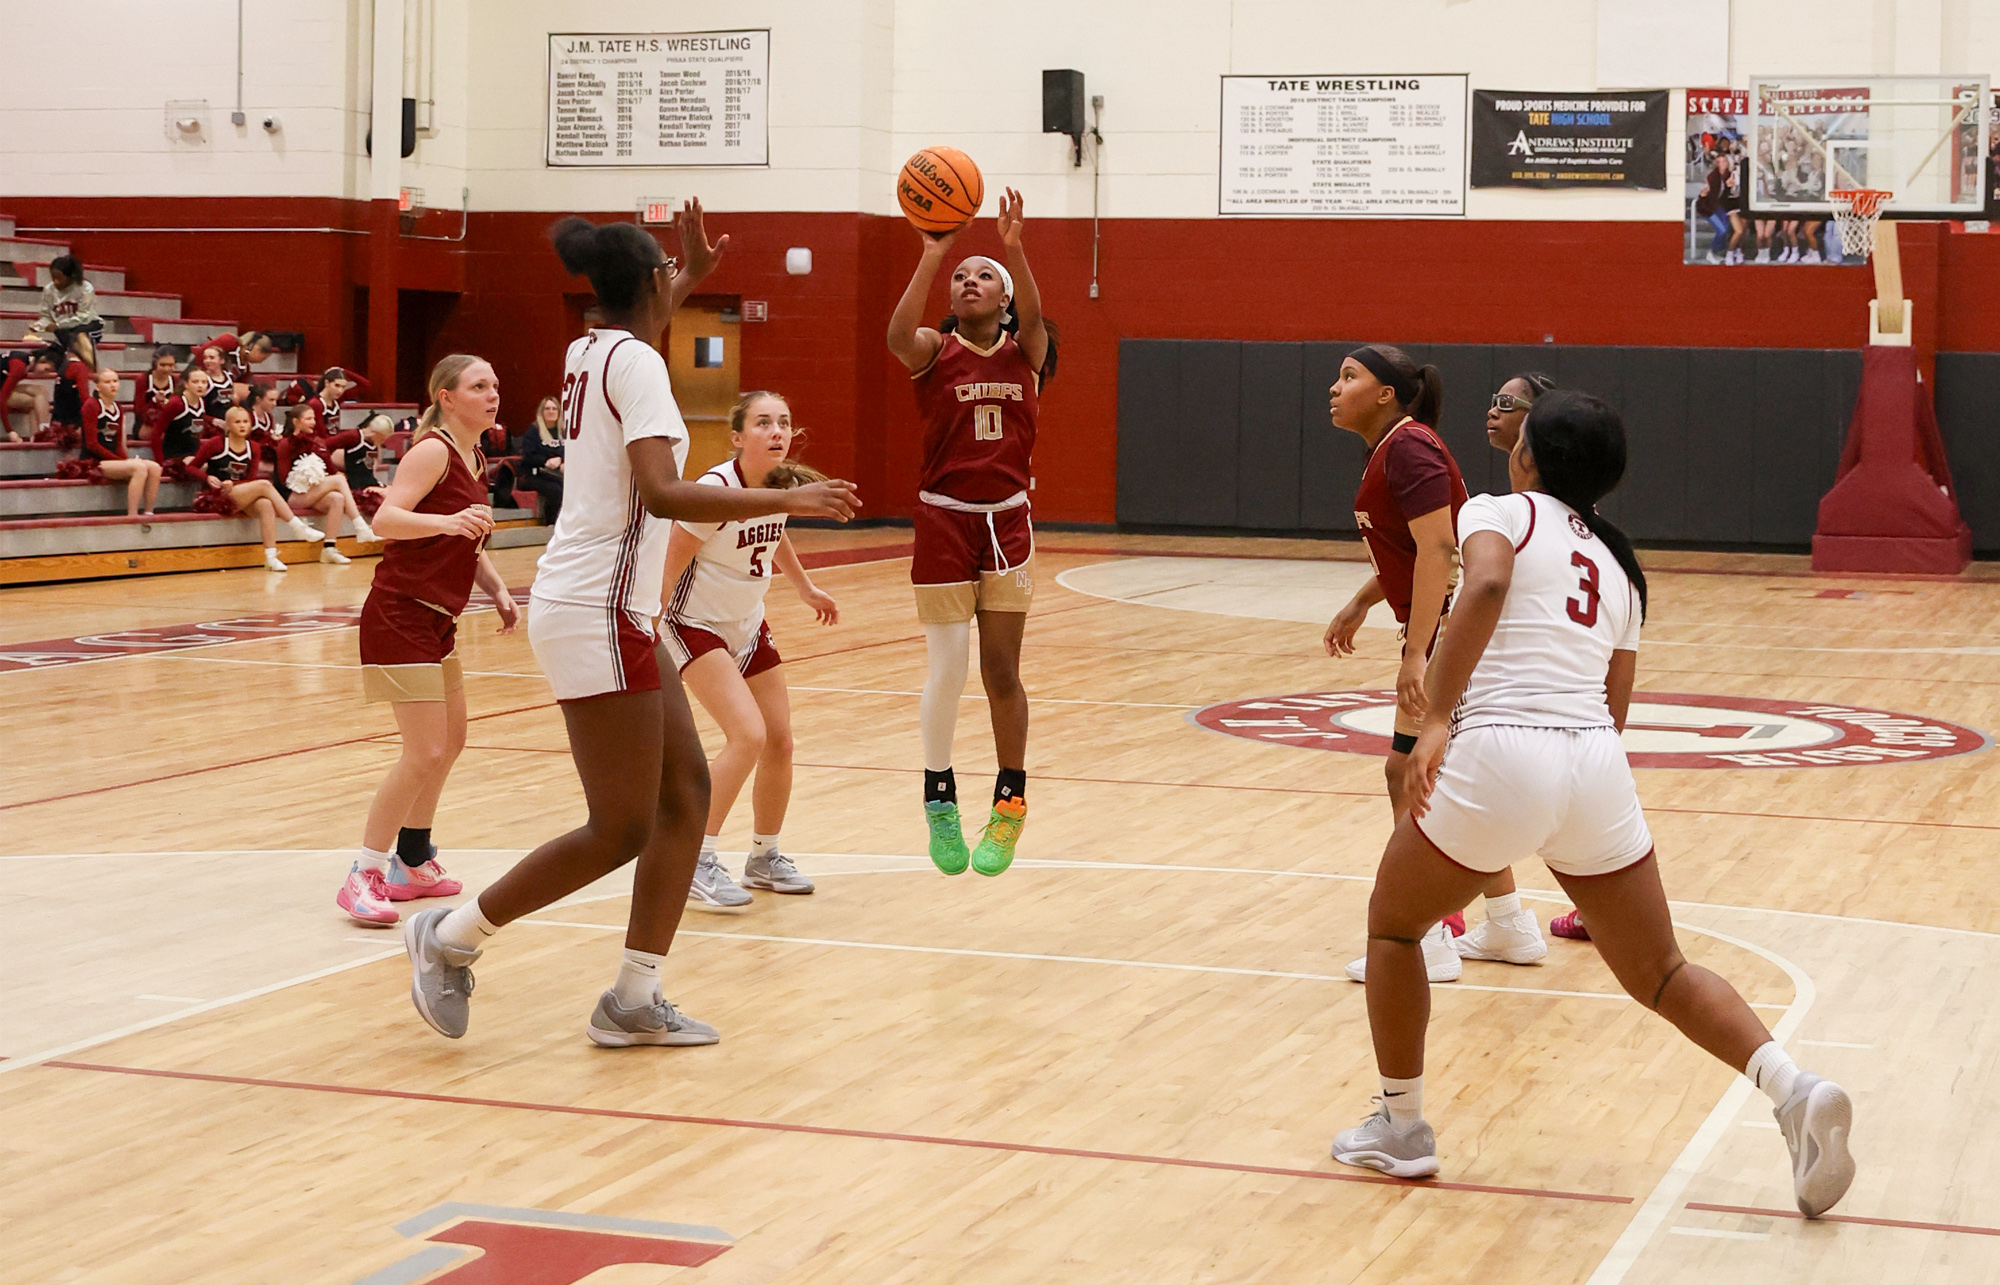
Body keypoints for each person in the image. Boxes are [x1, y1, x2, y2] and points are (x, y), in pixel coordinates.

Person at [1330, 391, 1857, 1220]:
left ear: (1529, 456)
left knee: (1395, 927)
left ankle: (1400, 1126)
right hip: (1594, 761)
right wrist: (1562, 802)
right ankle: (1794, 1087)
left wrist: (1435, 719)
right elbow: (1616, 703)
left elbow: (1487, 580)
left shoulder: (1499, 511)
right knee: (1663, 971)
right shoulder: (1619, 563)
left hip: (1505, 746)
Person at [399, 201, 859, 1049]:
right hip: (597, 608)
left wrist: (686, 279)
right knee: (620, 825)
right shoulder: (638, 363)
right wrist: (787, 499)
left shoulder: (591, 347)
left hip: (612, 606)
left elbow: (639, 326)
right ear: (653, 281)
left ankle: (634, 996)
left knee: (684, 796)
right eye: (669, 281)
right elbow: (662, 491)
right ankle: (452, 936)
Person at [885, 189, 1053, 878]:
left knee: (1001, 671)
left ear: (1005, 298)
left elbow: (1036, 316)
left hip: (1006, 520)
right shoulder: (934, 349)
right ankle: (939, 798)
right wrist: (932, 256)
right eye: (962, 276)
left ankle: (1010, 802)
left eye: (983, 275)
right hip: (943, 520)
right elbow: (897, 337)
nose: (969, 281)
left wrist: (1015, 248)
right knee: (948, 671)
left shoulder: (1026, 350)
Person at [339, 355, 519, 926]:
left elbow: (468, 539)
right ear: (447, 397)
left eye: (495, 385)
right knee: (424, 752)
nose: (492, 394)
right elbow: (386, 521)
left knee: (453, 740)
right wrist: (446, 523)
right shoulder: (432, 451)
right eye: (479, 386)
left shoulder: (475, 456)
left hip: (440, 619)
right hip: (400, 614)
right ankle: (364, 872)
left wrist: (496, 588)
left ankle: (412, 860)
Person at [1320, 344, 1480, 984]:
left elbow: (1441, 550)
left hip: (1455, 624)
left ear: (1386, 393)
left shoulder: (1410, 447)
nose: (1335, 388)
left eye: (1349, 376)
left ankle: (1428, 935)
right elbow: (1410, 550)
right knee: (1447, 773)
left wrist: (1417, 651)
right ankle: (1508, 922)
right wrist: (1363, 600)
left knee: (1410, 771)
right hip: (1449, 621)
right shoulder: (1391, 447)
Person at [664, 391, 840, 908]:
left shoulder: (780, 487)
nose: (777, 431)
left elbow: (773, 531)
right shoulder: (715, 490)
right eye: (763, 422)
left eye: (783, 422)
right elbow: (672, 560)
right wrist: (647, 624)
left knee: (780, 741)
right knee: (747, 735)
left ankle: (764, 857)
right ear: (738, 437)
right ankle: (695, 859)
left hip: (747, 622)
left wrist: (805, 588)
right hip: (694, 622)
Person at [189, 405, 323, 572]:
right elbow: (190, 467)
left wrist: (234, 485)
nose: (242, 425)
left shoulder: (253, 447)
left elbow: (250, 479)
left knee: (266, 504)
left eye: (245, 421)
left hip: (239, 493)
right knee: (265, 484)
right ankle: (298, 527)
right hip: (216, 496)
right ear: (228, 425)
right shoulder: (215, 444)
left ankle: (271, 557)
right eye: (237, 422)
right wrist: (208, 478)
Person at [275, 402, 374, 560]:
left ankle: (329, 549)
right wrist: (305, 477)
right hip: (291, 496)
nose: (313, 422)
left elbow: (332, 470)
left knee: (337, 498)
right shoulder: (285, 444)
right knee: (338, 480)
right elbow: (283, 479)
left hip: (312, 493)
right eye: (308, 419)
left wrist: (319, 476)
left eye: (314, 418)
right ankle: (361, 526)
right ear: (296, 421)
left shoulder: (317, 442)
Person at [58, 367, 161, 515]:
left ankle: (149, 512)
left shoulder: (118, 408)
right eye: (107, 382)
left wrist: (124, 459)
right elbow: (91, 444)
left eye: (115, 381)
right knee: (139, 468)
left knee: (155, 468)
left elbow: (118, 443)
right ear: (97, 386)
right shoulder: (91, 405)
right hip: (93, 460)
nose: (113, 385)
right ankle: (132, 514)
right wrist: (120, 461)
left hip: (112, 459)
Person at [26, 255, 102, 369]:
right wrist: (40, 325)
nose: (55, 281)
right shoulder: (49, 290)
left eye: (59, 278)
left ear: (71, 277)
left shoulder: (84, 288)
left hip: (88, 326)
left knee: (79, 338)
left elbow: (83, 317)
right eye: (53, 277)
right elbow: (45, 315)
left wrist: (57, 325)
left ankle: (95, 372)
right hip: (63, 330)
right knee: (43, 358)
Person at [153, 369, 221, 480]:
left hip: (193, 453)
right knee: (207, 468)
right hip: (175, 456)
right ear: (186, 384)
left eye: (204, 382)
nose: (200, 386)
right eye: (195, 382)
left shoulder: (201, 402)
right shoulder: (176, 403)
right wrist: (161, 464)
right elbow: (156, 435)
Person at [518, 395, 566, 525]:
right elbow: (528, 456)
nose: (551, 411)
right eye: (547, 409)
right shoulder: (533, 431)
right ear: (542, 412)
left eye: (554, 409)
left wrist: (561, 460)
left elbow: (570, 450)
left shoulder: (563, 431)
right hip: (535, 474)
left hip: (557, 473)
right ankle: (551, 522)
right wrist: (546, 461)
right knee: (556, 490)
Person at [344, 412, 395, 521]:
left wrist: (378, 447)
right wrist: (333, 470)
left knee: (395, 492)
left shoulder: (373, 444)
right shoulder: (353, 436)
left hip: (368, 480)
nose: (383, 441)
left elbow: (371, 467)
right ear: (375, 433)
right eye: (382, 438)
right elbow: (327, 445)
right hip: (356, 485)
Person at [1, 344, 57, 442]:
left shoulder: (25, 359)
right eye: (46, 369)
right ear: (41, 360)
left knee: (41, 390)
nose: (44, 373)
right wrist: (9, 430)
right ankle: (42, 433)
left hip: (2, 385)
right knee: (33, 402)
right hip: (2, 391)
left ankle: (41, 432)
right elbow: (2, 399)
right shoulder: (19, 366)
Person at [138, 346, 179, 437]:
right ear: (155, 363)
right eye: (162, 365)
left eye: (170, 365)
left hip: (169, 424)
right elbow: (139, 409)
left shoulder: (175, 381)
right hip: (147, 423)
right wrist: (154, 401)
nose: (166, 369)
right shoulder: (143, 380)